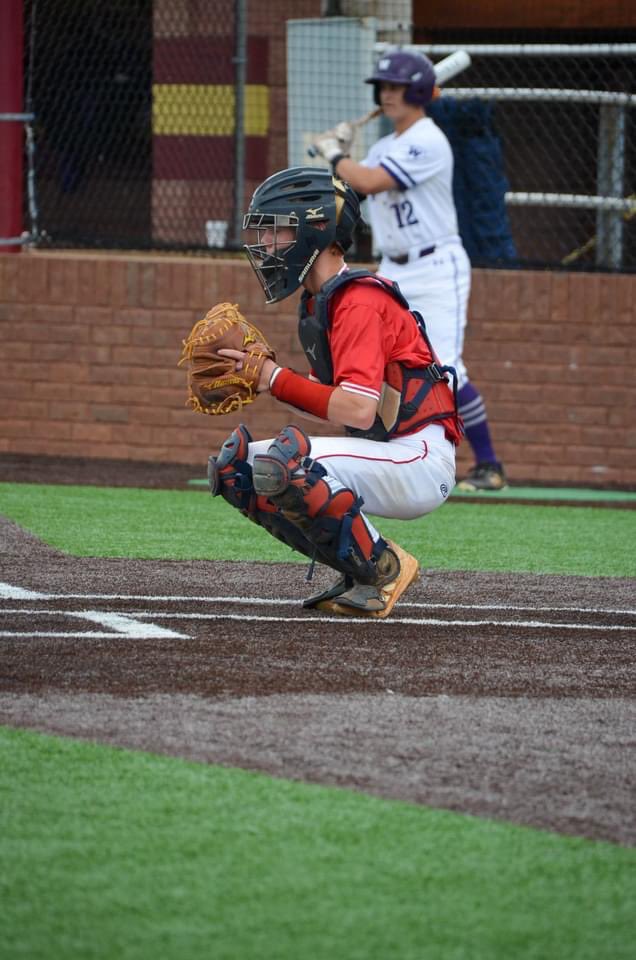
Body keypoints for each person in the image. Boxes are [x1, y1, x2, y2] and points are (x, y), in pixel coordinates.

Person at [208, 166, 463, 618]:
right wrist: (264, 378)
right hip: (387, 451)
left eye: (279, 231)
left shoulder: (359, 300)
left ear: (315, 232)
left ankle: (384, 567)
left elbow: (358, 410)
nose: (266, 245)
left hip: (418, 458)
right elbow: (337, 401)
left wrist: (273, 378)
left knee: (285, 462)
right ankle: (357, 572)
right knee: (236, 469)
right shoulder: (319, 301)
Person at [310, 49, 507, 491]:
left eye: (397, 87)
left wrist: (336, 153)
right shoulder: (384, 146)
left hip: (436, 266)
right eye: (385, 87)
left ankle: (490, 465)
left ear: (419, 91)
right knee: (390, 362)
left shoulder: (429, 139)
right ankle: (388, 451)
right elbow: (352, 191)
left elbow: (369, 181)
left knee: (448, 364)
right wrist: (344, 155)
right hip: (392, 267)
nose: (388, 94)